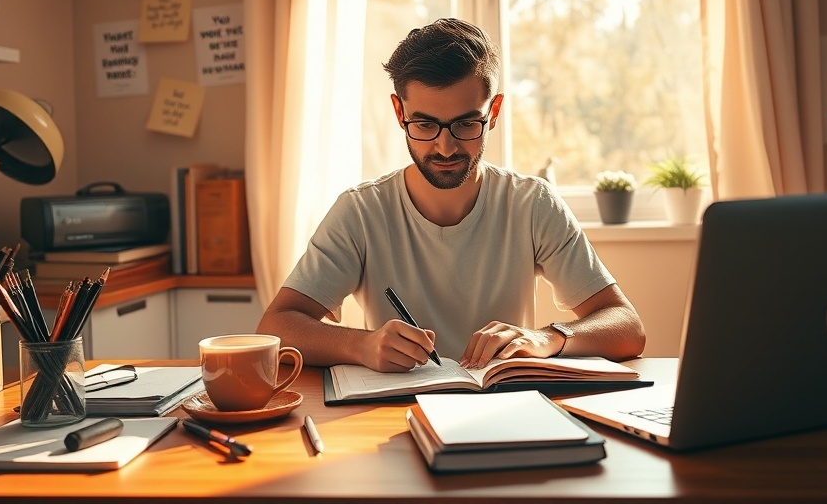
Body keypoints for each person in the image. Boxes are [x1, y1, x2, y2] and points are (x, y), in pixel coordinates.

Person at [257, 18, 645, 373]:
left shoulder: (532, 204)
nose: (445, 147)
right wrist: (362, 345)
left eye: (465, 124)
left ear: (493, 112)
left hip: (505, 410)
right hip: (392, 415)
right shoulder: (360, 211)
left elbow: (626, 326)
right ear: (399, 112)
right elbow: (277, 325)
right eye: (424, 124)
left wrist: (548, 338)